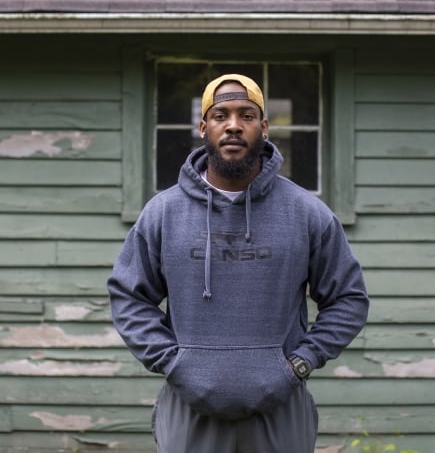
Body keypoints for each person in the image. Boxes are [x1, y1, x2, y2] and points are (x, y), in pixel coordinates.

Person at [108, 73, 369, 452]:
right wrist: (172, 363)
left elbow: (348, 299)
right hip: (189, 407)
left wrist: (299, 365)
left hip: (280, 408)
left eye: (246, 115)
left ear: (264, 128)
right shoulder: (163, 213)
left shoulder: (307, 212)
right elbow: (128, 296)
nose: (233, 125)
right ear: (203, 127)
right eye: (220, 115)